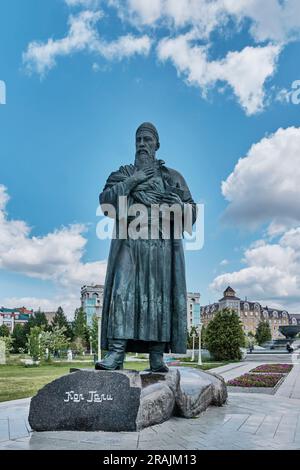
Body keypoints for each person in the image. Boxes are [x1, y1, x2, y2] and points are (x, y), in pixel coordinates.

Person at [96, 123, 197, 372]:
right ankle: (116, 353)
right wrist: (133, 181)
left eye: (147, 140)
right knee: (122, 291)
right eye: (139, 139)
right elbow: (105, 203)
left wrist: (179, 205)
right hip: (129, 241)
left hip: (160, 244)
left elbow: (191, 211)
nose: (142, 144)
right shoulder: (124, 173)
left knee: (158, 297)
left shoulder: (171, 177)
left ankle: (156, 357)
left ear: (156, 145)